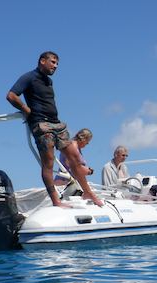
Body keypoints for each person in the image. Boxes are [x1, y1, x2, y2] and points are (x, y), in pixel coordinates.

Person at [6, 51, 103, 207]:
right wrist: (26, 109)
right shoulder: (29, 77)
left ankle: (87, 192)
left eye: (57, 63)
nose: (55, 66)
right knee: (49, 164)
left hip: (57, 124)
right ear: (42, 61)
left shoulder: (49, 82)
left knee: (75, 158)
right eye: (52, 62)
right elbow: (11, 95)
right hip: (42, 125)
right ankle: (56, 201)